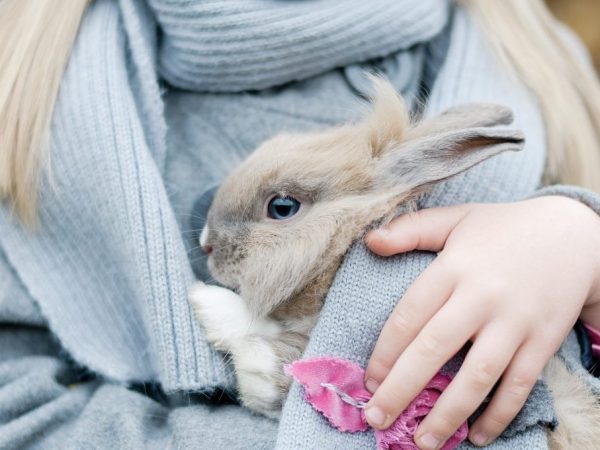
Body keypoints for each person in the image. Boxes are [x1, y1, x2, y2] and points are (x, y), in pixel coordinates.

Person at [0, 0, 599, 449]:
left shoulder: (538, 64)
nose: (207, 244)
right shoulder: (30, 74)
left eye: (282, 211)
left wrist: (581, 245)